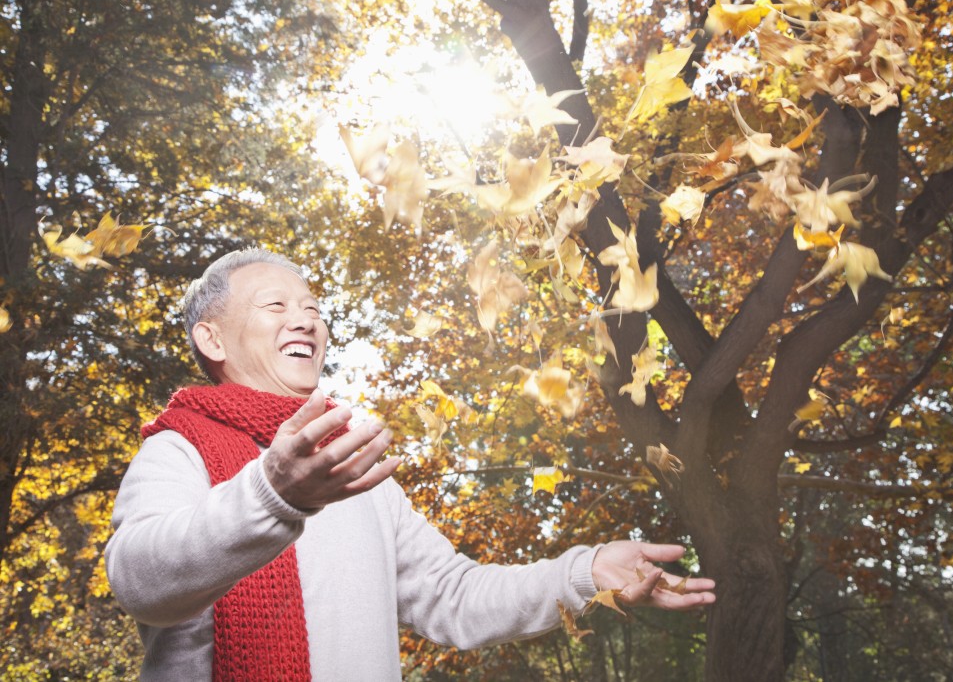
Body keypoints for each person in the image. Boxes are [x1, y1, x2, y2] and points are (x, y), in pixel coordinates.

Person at [105, 248, 715, 681]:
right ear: (212, 341)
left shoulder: (352, 474)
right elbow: (140, 582)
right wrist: (272, 496)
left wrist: (582, 574)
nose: (307, 318)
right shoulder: (178, 449)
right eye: (276, 304)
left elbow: (452, 596)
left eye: (314, 307)